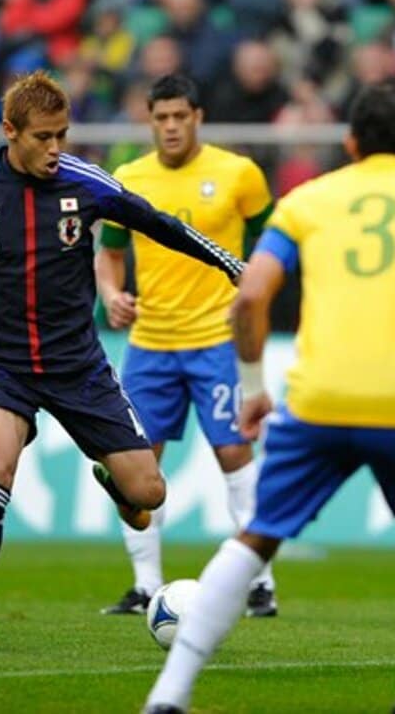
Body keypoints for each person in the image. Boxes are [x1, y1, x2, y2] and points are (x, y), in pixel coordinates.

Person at [0, 71, 246, 652]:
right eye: (44, 137)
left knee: (149, 495)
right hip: (0, 367)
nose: (57, 149)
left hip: (78, 367)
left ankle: (113, 477)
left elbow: (162, 226)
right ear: (10, 132)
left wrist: (230, 264)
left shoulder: (87, 183)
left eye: (63, 135)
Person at [143, 80, 395, 714]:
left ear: (350, 142)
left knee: (256, 537)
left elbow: (251, 295)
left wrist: (253, 390)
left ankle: (169, 696)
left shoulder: (309, 199)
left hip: (314, 402)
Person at [95, 74, 278, 618]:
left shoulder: (239, 174)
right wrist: (110, 293)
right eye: (161, 118)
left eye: (180, 116)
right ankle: (146, 585)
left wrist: (253, 294)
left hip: (217, 340)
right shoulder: (128, 178)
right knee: (135, 465)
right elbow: (110, 251)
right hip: (150, 344)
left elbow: (272, 245)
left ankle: (259, 582)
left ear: (198, 117)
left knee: (234, 453)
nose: (171, 127)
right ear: (149, 121)